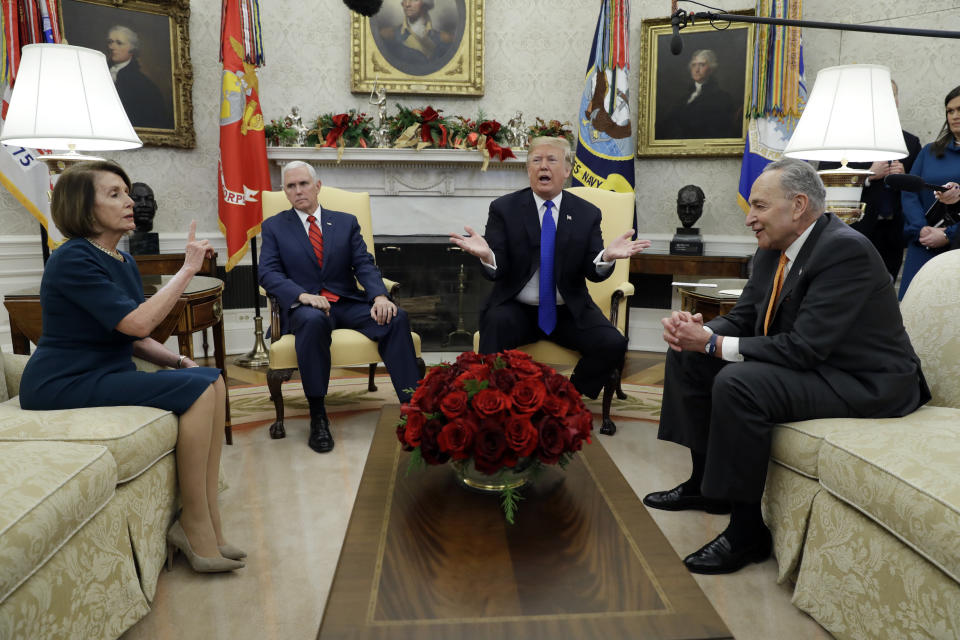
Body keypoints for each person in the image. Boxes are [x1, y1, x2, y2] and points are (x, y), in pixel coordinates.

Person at [645, 158, 929, 575]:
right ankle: (705, 487)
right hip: (820, 365)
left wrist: (714, 344)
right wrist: (697, 332)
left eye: (759, 206)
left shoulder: (844, 250)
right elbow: (745, 317)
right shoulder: (774, 250)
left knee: (740, 382)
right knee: (690, 354)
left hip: (866, 381)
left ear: (798, 205)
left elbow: (804, 348)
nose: (749, 219)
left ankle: (746, 534)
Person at [19, 161, 243, 573]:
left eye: (126, 191)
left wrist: (177, 359)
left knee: (213, 380)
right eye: (115, 194)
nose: (129, 202)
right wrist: (188, 269)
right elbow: (140, 321)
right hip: (62, 382)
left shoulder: (119, 260)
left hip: (108, 372)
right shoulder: (71, 259)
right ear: (84, 209)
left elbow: (132, 336)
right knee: (199, 386)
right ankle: (193, 525)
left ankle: (209, 521)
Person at [449, 136, 651, 400]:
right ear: (528, 169)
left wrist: (607, 257)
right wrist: (488, 256)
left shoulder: (587, 213)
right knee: (495, 324)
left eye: (551, 159)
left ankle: (568, 399)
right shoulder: (504, 209)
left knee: (613, 343)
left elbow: (593, 270)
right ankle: (493, 402)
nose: (543, 166)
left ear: (567, 171)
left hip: (569, 309)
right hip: (516, 307)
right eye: (536, 160)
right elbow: (497, 266)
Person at [258, 161, 421, 454]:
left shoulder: (345, 222)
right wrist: (301, 296)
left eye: (303, 184)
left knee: (396, 319)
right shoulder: (274, 227)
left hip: (346, 303)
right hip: (304, 309)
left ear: (317, 186)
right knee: (313, 321)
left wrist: (379, 297)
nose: (298, 191)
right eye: (291, 186)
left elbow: (364, 264)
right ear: (285, 191)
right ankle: (318, 416)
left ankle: (414, 411)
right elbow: (268, 273)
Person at [819, 80, 921, 281]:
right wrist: (867, 175)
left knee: (883, 294)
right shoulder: (843, 139)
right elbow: (824, 180)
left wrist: (903, 177)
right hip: (854, 229)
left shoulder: (910, 142)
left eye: (892, 97)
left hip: (892, 234)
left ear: (897, 101)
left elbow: (918, 187)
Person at [898, 85, 960, 298]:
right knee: (912, 306)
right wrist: (921, 229)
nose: (955, 116)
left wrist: (948, 234)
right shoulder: (929, 151)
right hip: (923, 243)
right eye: (950, 111)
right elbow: (910, 191)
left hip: (957, 246)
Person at [657, 49, 741, 140]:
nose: (696, 69)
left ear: (711, 69)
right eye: (694, 65)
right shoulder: (683, 98)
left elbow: (718, 130)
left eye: (702, 65)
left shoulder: (722, 98)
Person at [107, 25, 170, 129]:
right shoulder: (99, 71)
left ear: (132, 49)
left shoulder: (144, 85)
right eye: (110, 42)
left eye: (119, 43)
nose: (111, 47)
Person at [377, 0, 455, 75]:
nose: (407, 4)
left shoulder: (445, 39)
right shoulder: (388, 36)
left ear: (425, 4)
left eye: (414, 0)